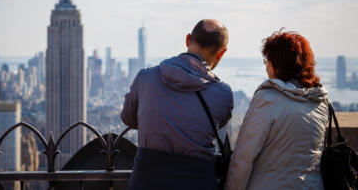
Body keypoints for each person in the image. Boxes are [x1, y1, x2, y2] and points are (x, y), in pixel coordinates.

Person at [121, 19, 234, 190]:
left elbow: (128, 118)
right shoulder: (222, 93)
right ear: (221, 53)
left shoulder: (146, 78)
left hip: (147, 179)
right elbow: (219, 125)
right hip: (197, 181)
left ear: (188, 39)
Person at [225, 30, 329, 190]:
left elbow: (243, 159)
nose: (266, 66)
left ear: (277, 65)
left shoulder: (267, 99)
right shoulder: (320, 102)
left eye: (268, 61)